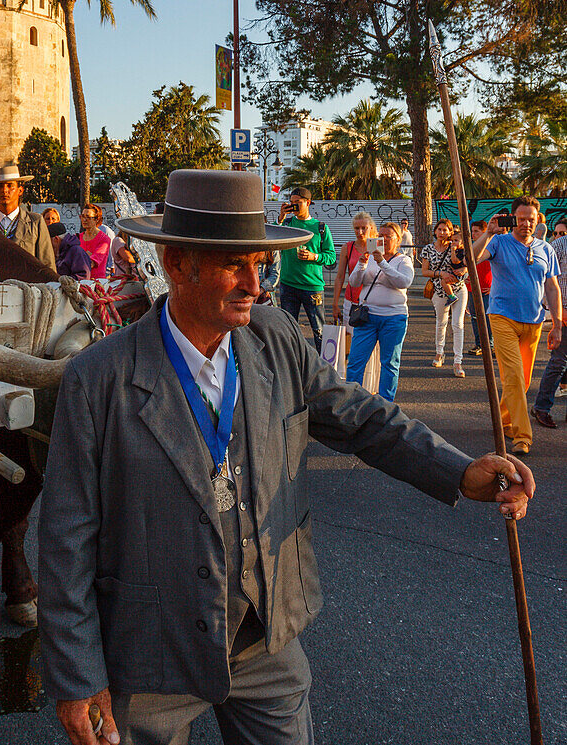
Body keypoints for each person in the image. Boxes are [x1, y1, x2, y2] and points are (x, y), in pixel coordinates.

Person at [38, 169, 533, 745]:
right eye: (234, 265)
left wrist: (458, 468)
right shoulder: (98, 379)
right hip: (151, 656)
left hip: (264, 640)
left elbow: (364, 419)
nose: (256, 283)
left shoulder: (274, 337)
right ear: (176, 264)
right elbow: (67, 535)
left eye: (260, 263)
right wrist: (77, 677)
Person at [473, 196, 562, 455]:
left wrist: (556, 324)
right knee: (512, 376)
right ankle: (522, 436)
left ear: (538, 220)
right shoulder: (499, 242)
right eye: (521, 219)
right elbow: (473, 258)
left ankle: (503, 420)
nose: (525, 224)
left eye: (530, 220)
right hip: (502, 317)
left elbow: (552, 287)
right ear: (512, 218)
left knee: (521, 381)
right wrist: (488, 233)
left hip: (533, 322)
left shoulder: (546, 249)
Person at [346, 222, 415, 401]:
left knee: (390, 363)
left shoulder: (403, 260)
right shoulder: (369, 258)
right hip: (367, 316)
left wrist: (382, 262)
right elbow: (353, 282)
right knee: (355, 362)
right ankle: (353, 401)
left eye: (388, 236)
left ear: (398, 240)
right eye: (380, 235)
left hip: (393, 317)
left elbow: (404, 282)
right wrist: (361, 264)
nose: (383, 239)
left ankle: (386, 403)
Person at [277, 187, 335, 352]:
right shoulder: (287, 224)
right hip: (288, 285)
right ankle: (292, 363)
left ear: (308, 203)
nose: (294, 206)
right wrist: (281, 218)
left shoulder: (321, 227)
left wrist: (314, 257)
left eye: (298, 203)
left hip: (312, 287)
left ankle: (323, 366)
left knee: (319, 330)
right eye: (292, 203)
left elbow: (331, 257)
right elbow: (271, 238)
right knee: (288, 329)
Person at [0, 162, 56, 271]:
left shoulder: (35, 222)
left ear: (20, 190)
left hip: (27, 286)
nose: (5, 190)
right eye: (0, 186)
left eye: (10, 185)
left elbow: (47, 266)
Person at [530, 214, 567, 428]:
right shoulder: (558, 246)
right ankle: (541, 408)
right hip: (564, 313)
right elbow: (547, 282)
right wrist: (559, 314)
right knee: (559, 363)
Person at [420, 219, 468, 376]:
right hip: (439, 290)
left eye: (445, 230)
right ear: (435, 231)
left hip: (459, 289)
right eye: (439, 229)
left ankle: (458, 362)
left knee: (458, 324)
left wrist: (463, 270)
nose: (442, 233)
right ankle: (439, 353)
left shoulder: (456, 246)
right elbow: (424, 271)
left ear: (450, 232)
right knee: (441, 323)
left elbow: (466, 263)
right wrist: (441, 273)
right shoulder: (428, 249)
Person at [332, 211, 376, 329]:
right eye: (357, 228)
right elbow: (340, 277)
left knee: (372, 341)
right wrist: (335, 304)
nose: (360, 232)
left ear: (371, 228)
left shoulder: (376, 245)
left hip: (372, 301)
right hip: (351, 301)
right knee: (351, 339)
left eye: (364, 228)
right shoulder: (348, 247)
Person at [466, 220, 493, 356]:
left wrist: (494, 286)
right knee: (475, 317)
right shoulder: (471, 248)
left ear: (484, 232)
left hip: (488, 289)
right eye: (472, 231)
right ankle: (479, 344)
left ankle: (491, 345)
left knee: (489, 318)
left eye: (476, 231)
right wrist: (464, 278)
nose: (473, 234)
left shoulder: (492, 247)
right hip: (472, 289)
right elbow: (465, 265)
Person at [79, 203, 112, 279]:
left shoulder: (104, 239)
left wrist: (79, 257)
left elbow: (91, 263)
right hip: (80, 282)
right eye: (83, 216)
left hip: (97, 283)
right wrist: (86, 256)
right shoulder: (78, 237)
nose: (84, 220)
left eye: (88, 217)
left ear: (96, 219)